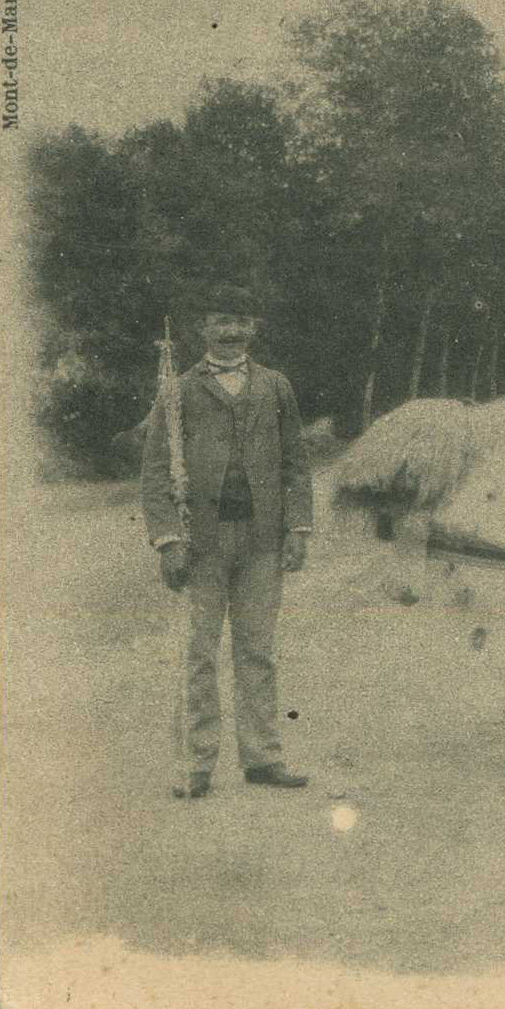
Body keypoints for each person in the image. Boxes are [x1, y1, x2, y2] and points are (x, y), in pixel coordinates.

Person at [141, 283, 314, 799]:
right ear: (204, 329)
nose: (231, 330)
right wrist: (168, 540)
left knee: (258, 652)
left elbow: (296, 465)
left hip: (262, 543)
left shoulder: (276, 387)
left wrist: (299, 529)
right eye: (220, 320)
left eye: (240, 320)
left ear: (253, 328)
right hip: (202, 546)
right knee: (199, 654)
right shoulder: (176, 391)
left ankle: (263, 758)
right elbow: (154, 475)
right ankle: (196, 766)